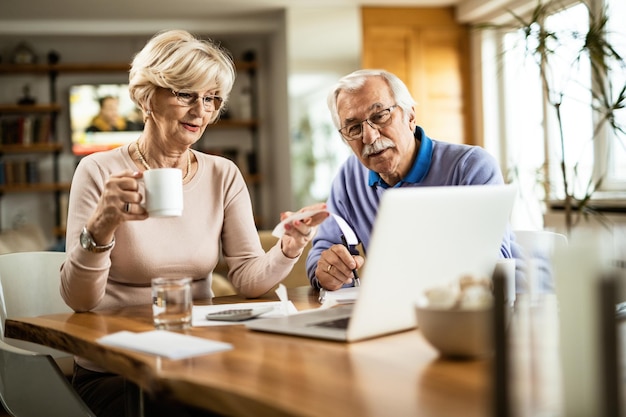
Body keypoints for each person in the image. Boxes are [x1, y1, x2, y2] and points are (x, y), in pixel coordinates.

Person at [61, 29, 328, 417]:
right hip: (118, 369)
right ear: (147, 96)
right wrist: (102, 224)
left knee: (283, 394)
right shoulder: (99, 170)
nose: (201, 111)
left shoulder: (224, 174)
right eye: (186, 94)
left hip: (200, 357)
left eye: (211, 99)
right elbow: (78, 300)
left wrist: (288, 246)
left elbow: (248, 278)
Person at [305, 68, 521, 291]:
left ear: (410, 116)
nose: (369, 136)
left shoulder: (470, 167)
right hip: (399, 310)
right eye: (354, 128)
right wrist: (327, 271)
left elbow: (494, 260)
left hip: (498, 308)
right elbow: (323, 249)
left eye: (380, 116)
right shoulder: (349, 178)